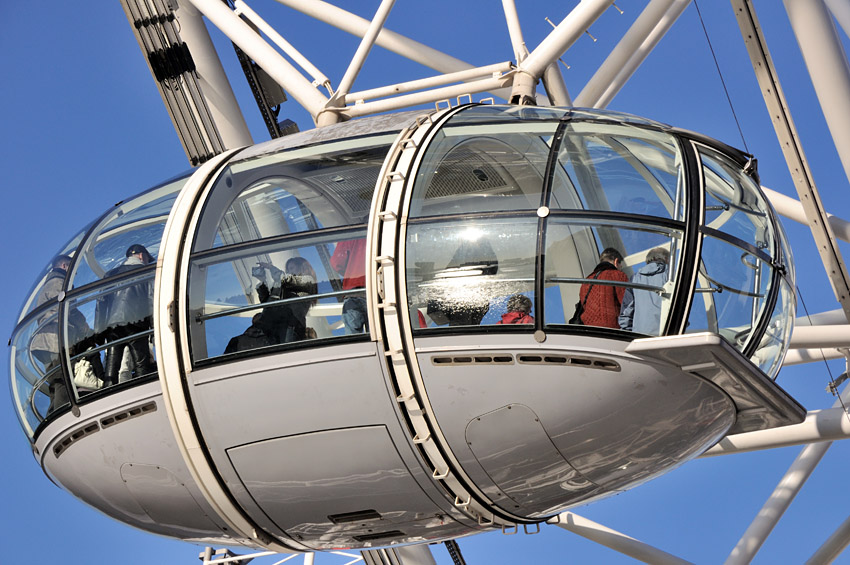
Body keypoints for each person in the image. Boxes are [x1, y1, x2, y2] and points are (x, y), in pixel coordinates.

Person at [31, 255, 101, 411]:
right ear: (64, 266)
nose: (74, 274)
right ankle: (64, 412)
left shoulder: (47, 286)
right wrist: (85, 328)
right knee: (63, 379)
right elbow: (67, 308)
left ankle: (54, 413)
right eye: (71, 268)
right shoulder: (59, 282)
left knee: (55, 381)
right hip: (56, 340)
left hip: (46, 342)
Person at [95, 244, 156, 385]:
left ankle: (109, 395)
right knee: (142, 367)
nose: (147, 262)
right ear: (141, 255)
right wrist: (153, 330)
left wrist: (100, 331)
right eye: (147, 258)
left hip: (114, 327)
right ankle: (143, 393)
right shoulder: (146, 271)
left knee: (111, 368)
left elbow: (101, 303)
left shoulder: (110, 274)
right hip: (137, 325)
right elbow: (151, 300)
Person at [427, 236, 498, 327]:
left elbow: (450, 269)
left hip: (465, 295)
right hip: (470, 295)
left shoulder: (465, 251)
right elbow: (492, 269)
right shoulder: (481, 251)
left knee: (463, 324)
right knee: (466, 324)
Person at [255, 256, 317, 344]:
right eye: (287, 270)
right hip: (273, 327)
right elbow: (266, 303)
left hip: (291, 327)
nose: (289, 272)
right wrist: (262, 281)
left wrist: (270, 268)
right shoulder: (284, 285)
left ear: (301, 268)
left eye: (291, 268)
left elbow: (285, 279)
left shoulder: (307, 281)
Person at [619, 247, 670, 335]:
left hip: (640, 334)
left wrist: (628, 332)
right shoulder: (670, 275)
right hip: (666, 333)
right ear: (666, 259)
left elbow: (627, 311)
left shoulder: (635, 278)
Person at [576, 247, 628, 328]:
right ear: (616, 261)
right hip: (612, 329)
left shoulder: (586, 281)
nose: (620, 268)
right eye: (620, 266)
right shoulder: (617, 275)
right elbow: (627, 305)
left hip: (589, 330)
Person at [330, 238, 367, 334]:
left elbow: (337, 263)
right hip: (375, 290)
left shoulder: (348, 237)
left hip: (352, 292)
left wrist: (350, 273)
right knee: (379, 334)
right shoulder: (378, 232)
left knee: (353, 337)